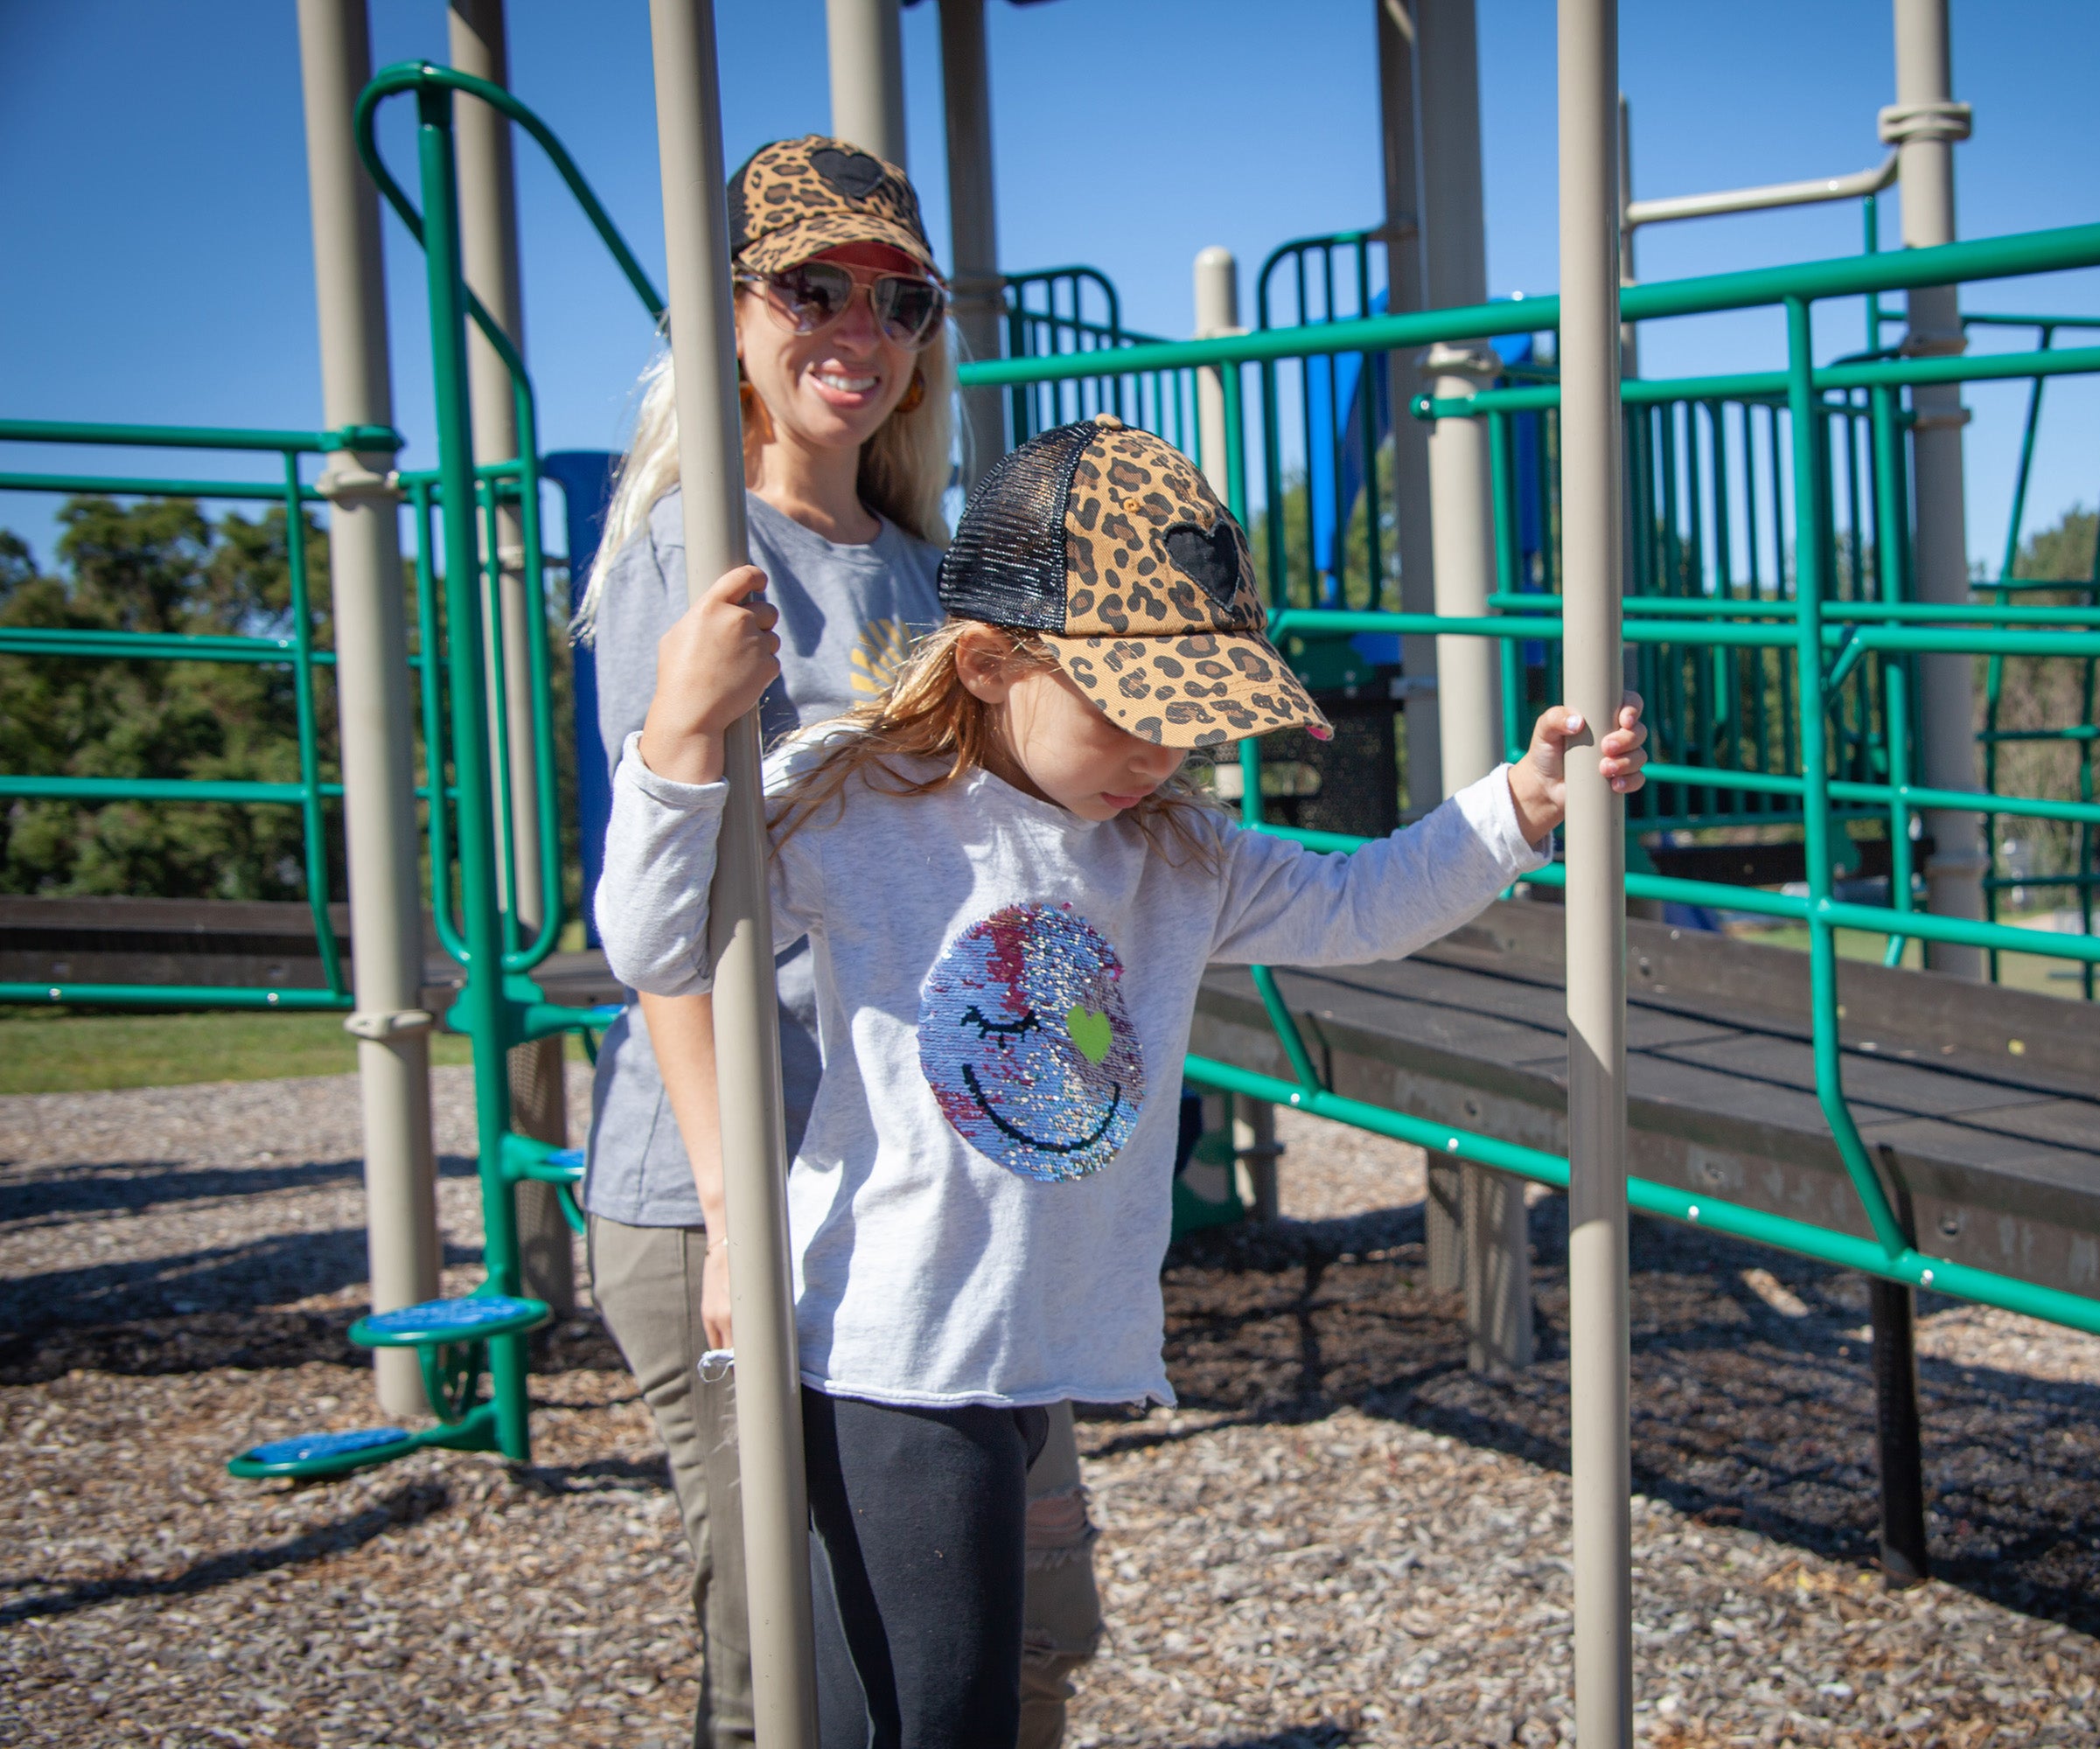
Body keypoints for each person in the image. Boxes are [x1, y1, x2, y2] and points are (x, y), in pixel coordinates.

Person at [596, 414, 1650, 1746]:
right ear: (986, 660)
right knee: (927, 1711)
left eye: (1193, 727)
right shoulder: (860, 798)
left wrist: (1522, 800)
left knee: (945, 1700)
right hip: (885, 1352)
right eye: (1136, 716)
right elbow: (658, 938)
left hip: (1018, 1350)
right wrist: (683, 742)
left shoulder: (1169, 847)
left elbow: (1358, 906)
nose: (1164, 755)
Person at [573, 136, 1099, 1749]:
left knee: (1023, 1628)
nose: (857, 331)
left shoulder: (928, 573)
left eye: (900, 300)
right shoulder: (694, 552)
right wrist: (738, 1213)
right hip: (741, 1183)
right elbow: (672, 928)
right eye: (812, 287)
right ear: (728, 312)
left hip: (919, 1185)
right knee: (799, 1672)